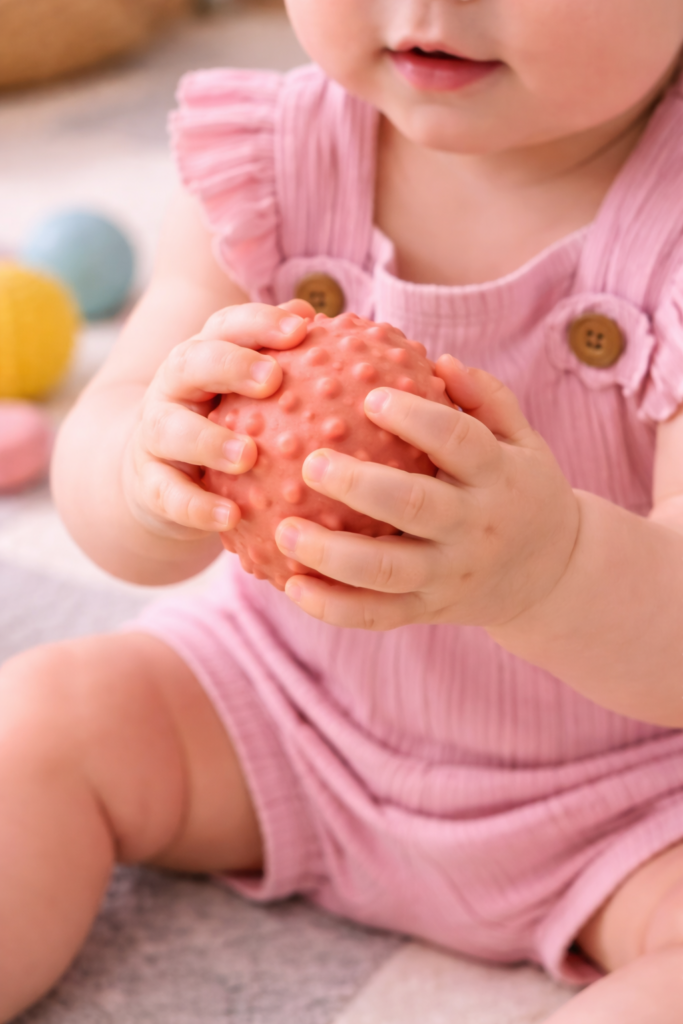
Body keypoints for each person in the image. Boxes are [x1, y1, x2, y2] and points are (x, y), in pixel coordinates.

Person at [4, 0, 683, 1019]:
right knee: (46, 717)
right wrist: (150, 474)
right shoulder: (270, 163)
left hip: (627, 789)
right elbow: (114, 439)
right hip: (279, 696)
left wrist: (546, 565)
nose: (425, 7)